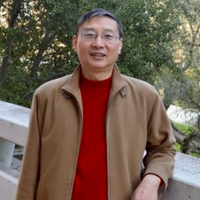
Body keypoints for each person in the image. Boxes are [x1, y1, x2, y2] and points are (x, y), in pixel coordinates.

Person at [15, 8, 176, 200]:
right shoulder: (47, 95)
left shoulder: (144, 96)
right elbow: (30, 166)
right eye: (89, 35)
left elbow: (163, 149)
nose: (98, 44)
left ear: (120, 44)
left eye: (108, 36)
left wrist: (152, 179)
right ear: (75, 42)